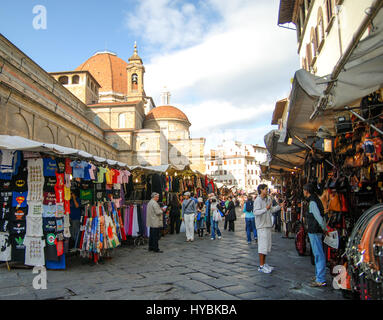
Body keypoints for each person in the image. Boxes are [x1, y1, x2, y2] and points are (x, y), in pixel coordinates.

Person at [253, 184, 283, 273]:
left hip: (267, 224)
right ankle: (261, 266)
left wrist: (280, 206)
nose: (267, 191)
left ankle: (264, 264)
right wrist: (265, 209)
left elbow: (271, 210)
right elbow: (255, 212)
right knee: (262, 246)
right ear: (261, 190)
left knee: (266, 246)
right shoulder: (258, 200)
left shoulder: (268, 199)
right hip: (261, 226)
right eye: (266, 189)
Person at [303, 183, 328, 287]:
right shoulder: (315, 200)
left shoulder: (312, 202)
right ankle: (319, 275)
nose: (303, 192)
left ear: (307, 191)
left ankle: (321, 278)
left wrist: (324, 228)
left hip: (314, 230)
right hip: (315, 230)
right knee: (318, 253)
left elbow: (318, 217)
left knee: (318, 254)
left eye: (304, 190)